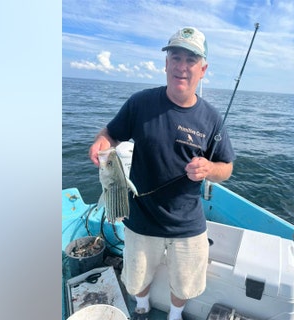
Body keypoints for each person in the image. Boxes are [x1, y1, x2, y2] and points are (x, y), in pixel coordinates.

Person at [88, 26, 235, 320]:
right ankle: (142, 307)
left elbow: (226, 168)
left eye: (190, 60)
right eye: (175, 57)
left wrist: (208, 169)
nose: (181, 66)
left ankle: (175, 314)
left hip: (187, 223)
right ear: (166, 64)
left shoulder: (212, 118)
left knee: (185, 282)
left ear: (203, 69)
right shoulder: (140, 102)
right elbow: (111, 134)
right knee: (136, 278)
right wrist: (101, 143)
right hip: (140, 217)